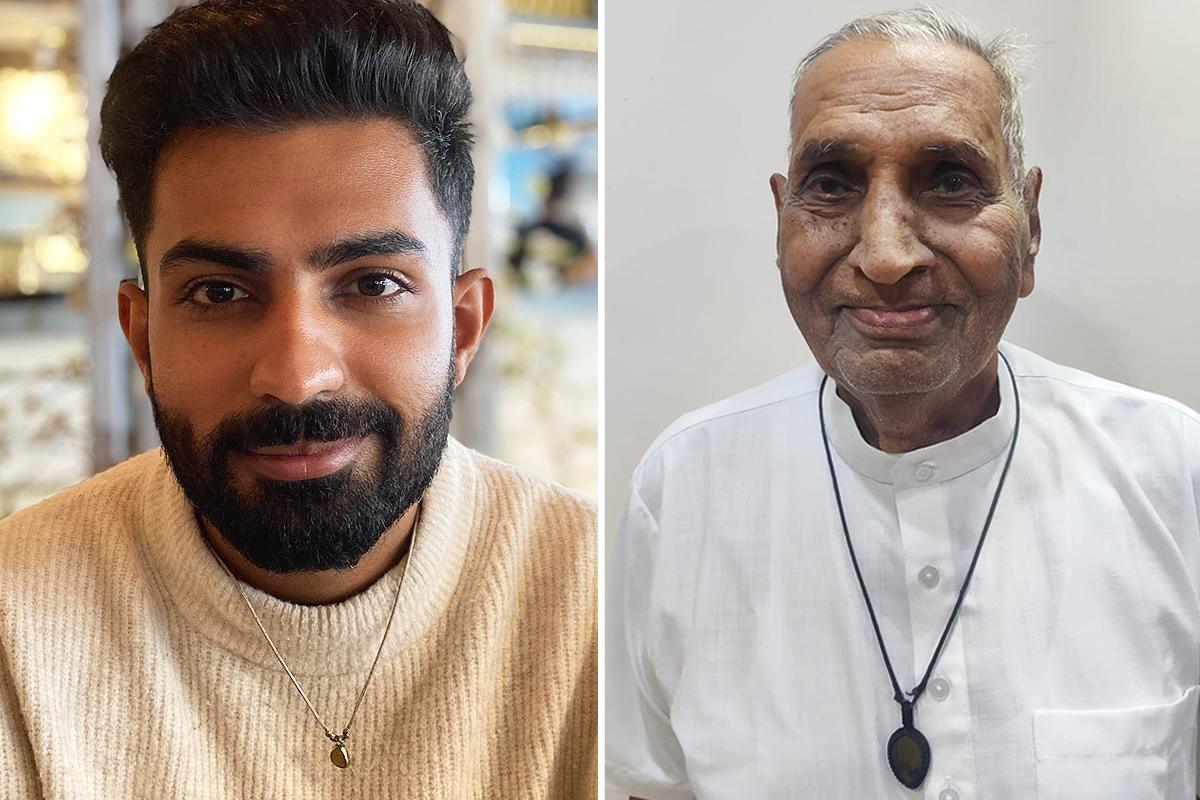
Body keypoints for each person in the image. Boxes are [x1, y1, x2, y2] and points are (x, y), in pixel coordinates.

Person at [0, 1, 596, 797]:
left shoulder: (600, 594)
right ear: (141, 338)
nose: (295, 374)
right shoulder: (16, 628)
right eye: (219, 292)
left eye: (372, 284)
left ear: (461, 329)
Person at [607, 7, 1200, 799]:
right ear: (782, 221)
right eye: (831, 186)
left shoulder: (1172, 474)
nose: (886, 256)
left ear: (1029, 227)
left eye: (951, 181)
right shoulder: (683, 490)